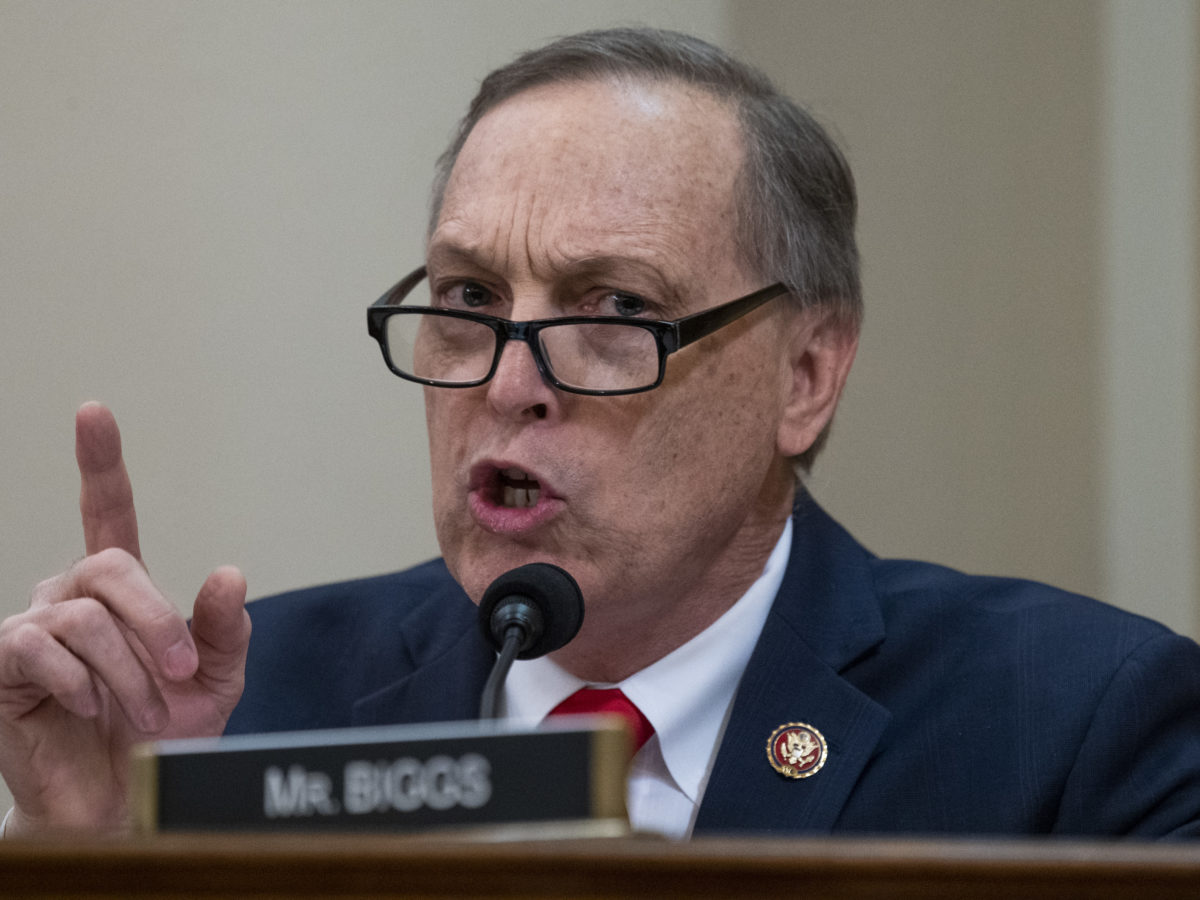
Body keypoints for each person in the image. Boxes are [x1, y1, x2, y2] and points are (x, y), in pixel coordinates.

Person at [2, 27, 1199, 840]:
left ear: (808, 373)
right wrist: (98, 863)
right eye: (469, 302)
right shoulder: (242, 719)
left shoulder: (1077, 732)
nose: (510, 384)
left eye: (616, 310)